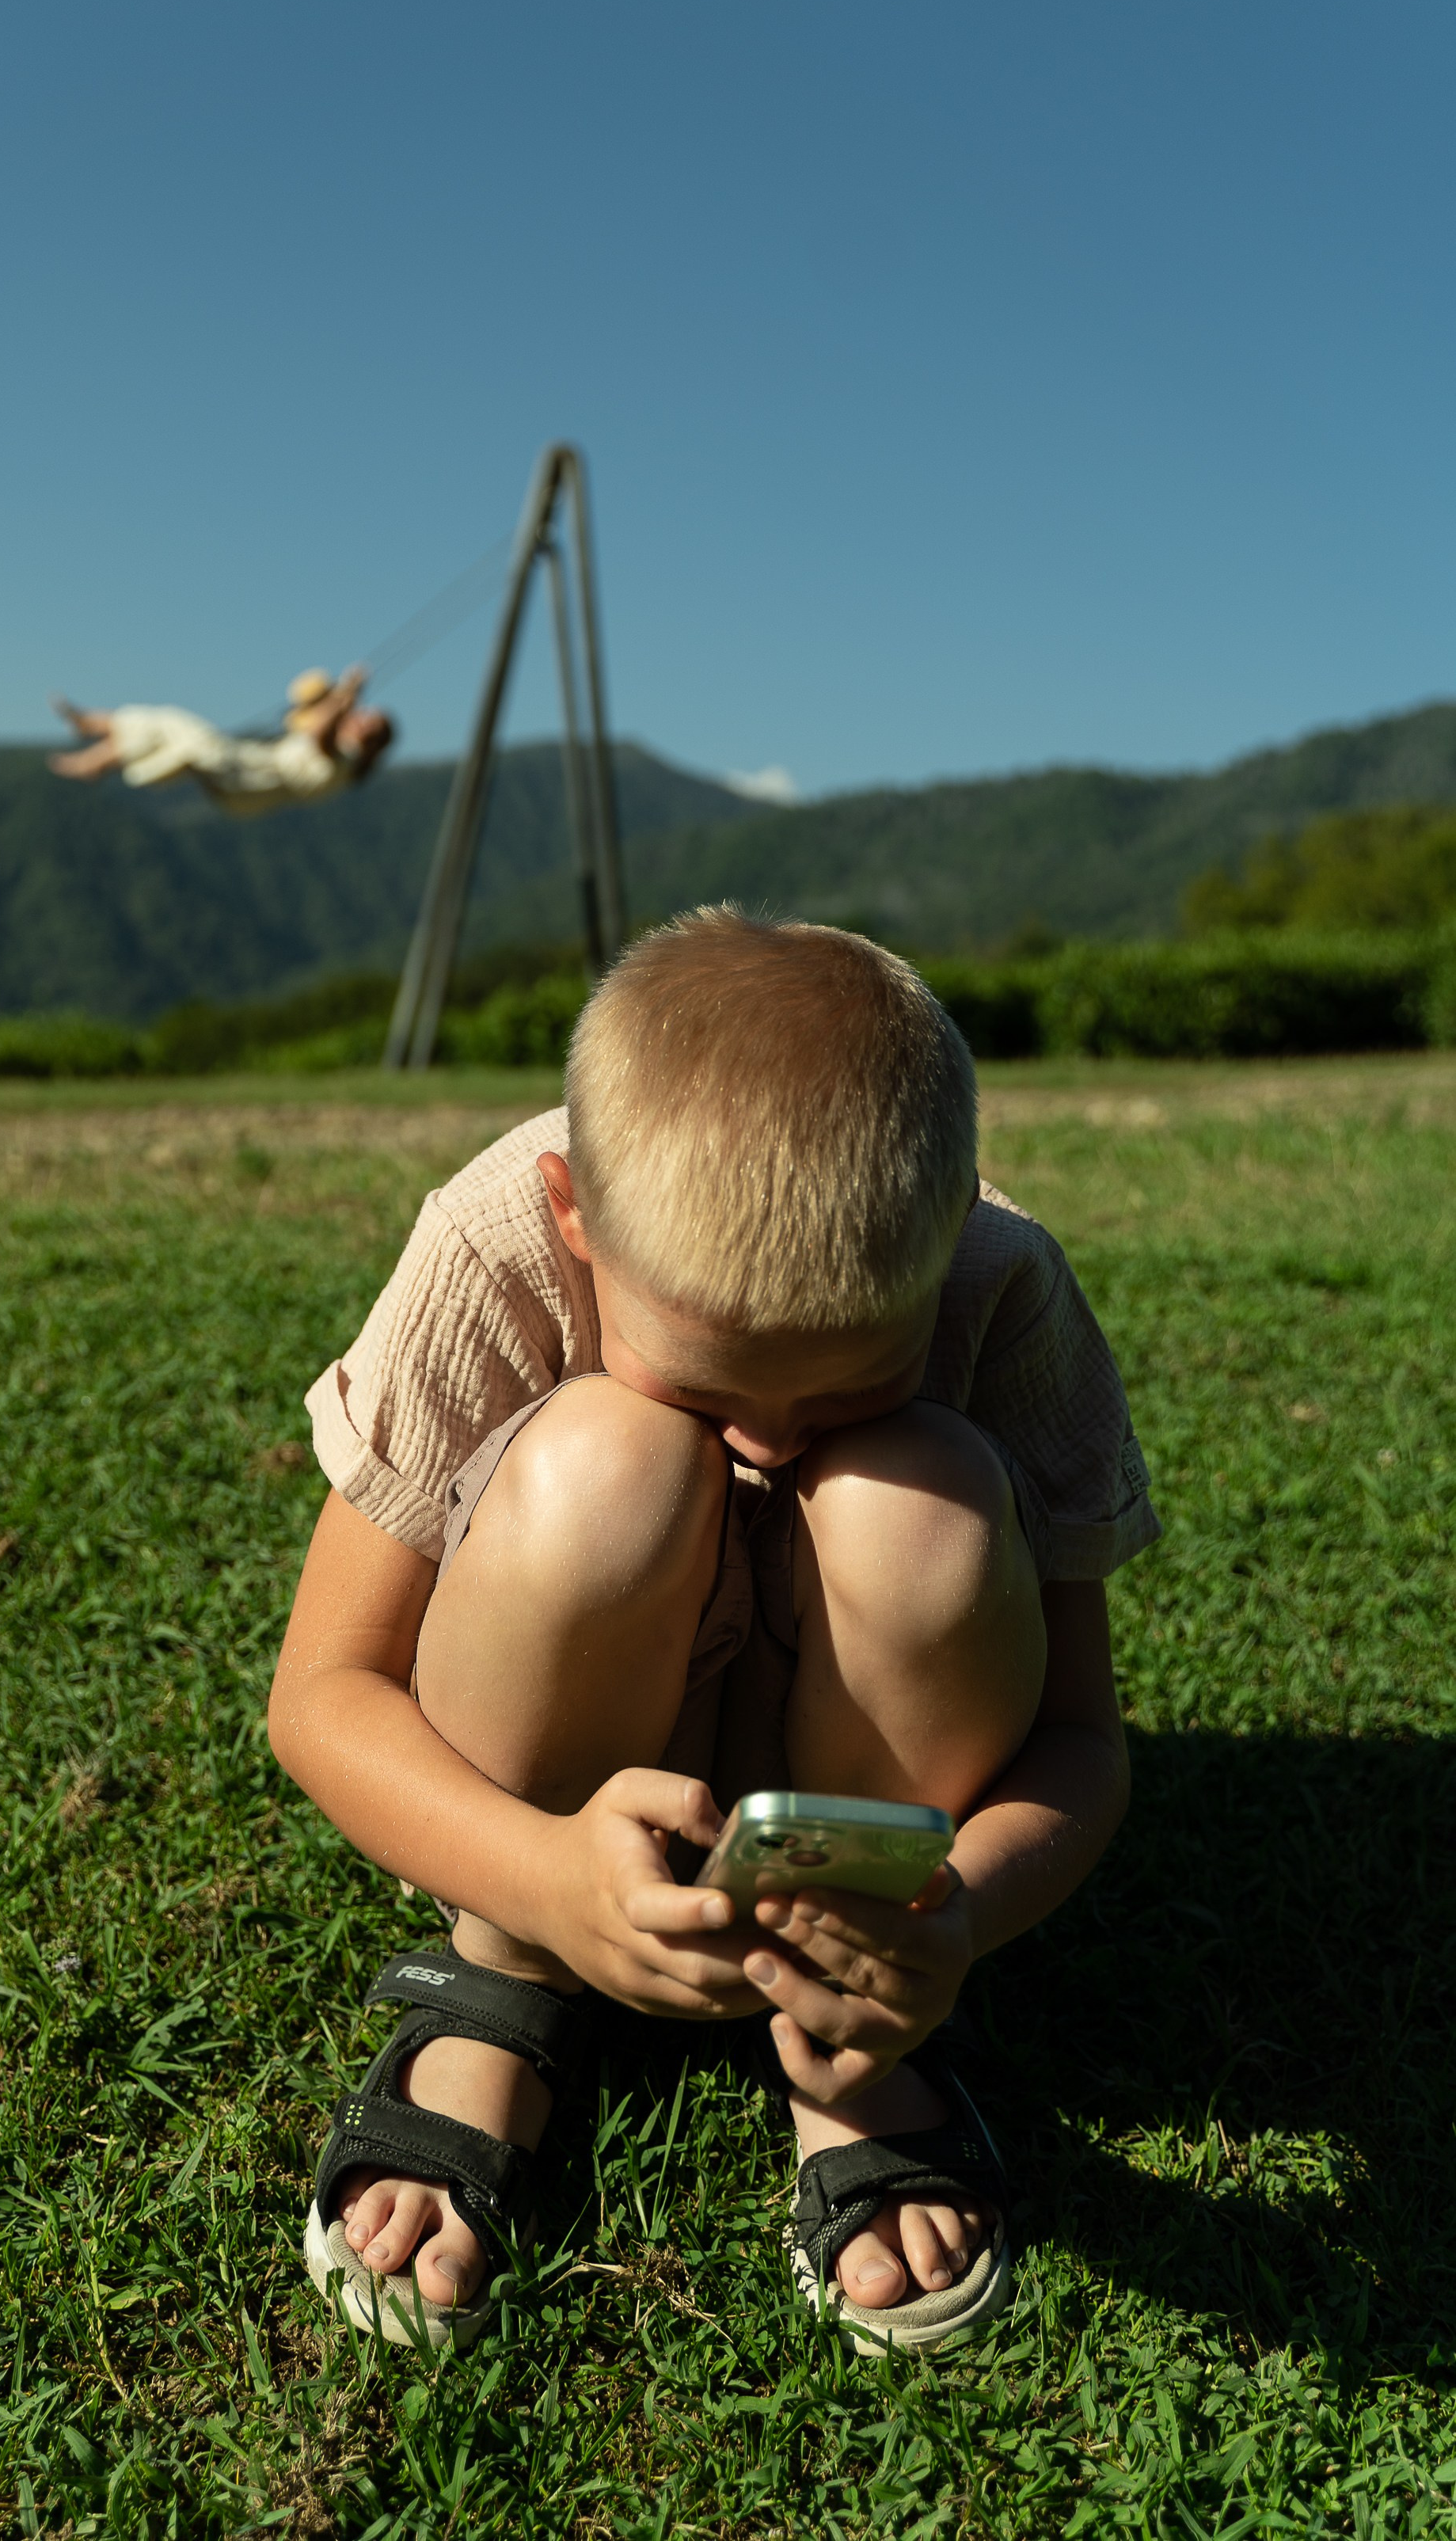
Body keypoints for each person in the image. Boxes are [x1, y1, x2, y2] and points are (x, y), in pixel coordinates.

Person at [268, 911, 1158, 2353]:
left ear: (943, 1253)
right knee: (609, 1466)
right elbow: (323, 1688)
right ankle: (506, 1980)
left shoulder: (1000, 1279)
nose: (763, 1441)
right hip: (561, 1771)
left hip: (862, 1811)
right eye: (704, 1380)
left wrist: (957, 1916)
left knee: (913, 1496)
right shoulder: (492, 1239)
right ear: (573, 1216)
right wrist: (538, 1878)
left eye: (848, 1381)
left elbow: (1078, 1741)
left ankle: (843, 2022)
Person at [48, 667, 394, 816]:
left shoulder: (348, 757)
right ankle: (93, 741)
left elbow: (322, 735)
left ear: (370, 738)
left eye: (367, 720)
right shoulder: (347, 766)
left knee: (175, 728)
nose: (359, 717)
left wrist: (346, 695)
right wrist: (338, 697)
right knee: (166, 730)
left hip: (246, 775)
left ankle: (91, 745)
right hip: (243, 784)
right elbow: (312, 719)